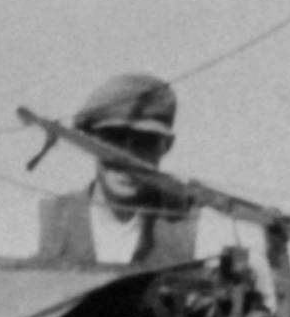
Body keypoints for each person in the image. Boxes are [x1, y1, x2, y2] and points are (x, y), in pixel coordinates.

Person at [35, 73, 200, 264]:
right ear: (88, 140)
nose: (127, 158)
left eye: (144, 142)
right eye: (114, 139)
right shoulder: (53, 219)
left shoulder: (188, 223)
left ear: (166, 146)